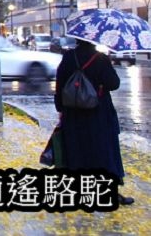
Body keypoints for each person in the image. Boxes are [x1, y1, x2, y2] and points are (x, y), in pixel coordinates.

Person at [54, 39, 133, 206]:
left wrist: (60, 108)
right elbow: (114, 84)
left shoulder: (69, 57)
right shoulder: (101, 58)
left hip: (73, 113)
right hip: (98, 113)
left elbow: (60, 83)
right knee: (103, 151)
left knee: (76, 150)